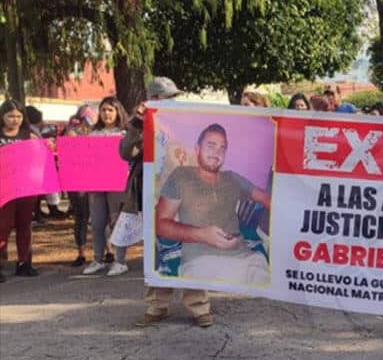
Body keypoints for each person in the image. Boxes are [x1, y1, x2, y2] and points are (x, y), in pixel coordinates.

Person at [127, 77, 214, 328]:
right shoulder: (143, 125)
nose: (173, 101)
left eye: (174, 97)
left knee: (192, 250)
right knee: (158, 252)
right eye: (167, 97)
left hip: (187, 198)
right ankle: (157, 304)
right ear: (153, 99)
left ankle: (199, 306)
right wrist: (136, 125)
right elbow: (125, 152)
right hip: (155, 198)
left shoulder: (188, 123)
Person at [155, 123, 271, 286]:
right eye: (211, 146)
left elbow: (267, 200)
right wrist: (202, 235)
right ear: (197, 149)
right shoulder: (181, 176)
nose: (216, 153)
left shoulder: (232, 179)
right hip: (201, 261)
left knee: (268, 288)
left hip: (246, 260)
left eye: (222, 148)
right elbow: (160, 225)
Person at [81, 97, 131, 276]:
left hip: (118, 184)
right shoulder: (92, 135)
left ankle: (120, 260)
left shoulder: (125, 134)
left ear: (118, 112)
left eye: (110, 110)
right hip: (96, 184)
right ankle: (97, 259)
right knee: (97, 223)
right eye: (103, 110)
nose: (106, 113)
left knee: (116, 222)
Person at [0, 99, 43, 280]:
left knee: (25, 224)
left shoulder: (29, 135)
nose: (15, 120)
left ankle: (24, 262)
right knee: (3, 226)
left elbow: (40, 157)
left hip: (25, 188)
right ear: (2, 116)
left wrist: (45, 147)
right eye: (11, 116)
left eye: (18, 116)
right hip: (3, 188)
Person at [64, 105, 97, 266]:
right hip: (78, 181)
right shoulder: (72, 133)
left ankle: (108, 250)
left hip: (96, 179)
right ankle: (81, 253)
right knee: (82, 216)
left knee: (100, 217)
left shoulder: (95, 133)